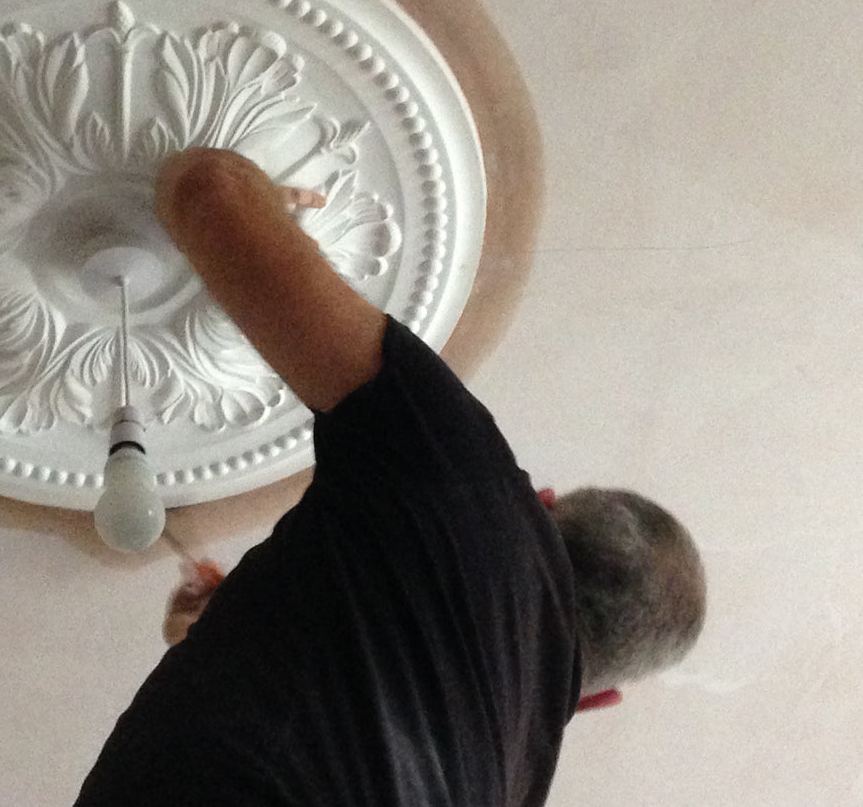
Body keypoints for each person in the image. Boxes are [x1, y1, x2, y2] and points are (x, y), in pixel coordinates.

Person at [72, 148, 706, 807]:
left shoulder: (469, 481)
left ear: (542, 502)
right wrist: (224, 628)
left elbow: (208, 193)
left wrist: (263, 220)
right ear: (596, 699)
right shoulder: (505, 790)